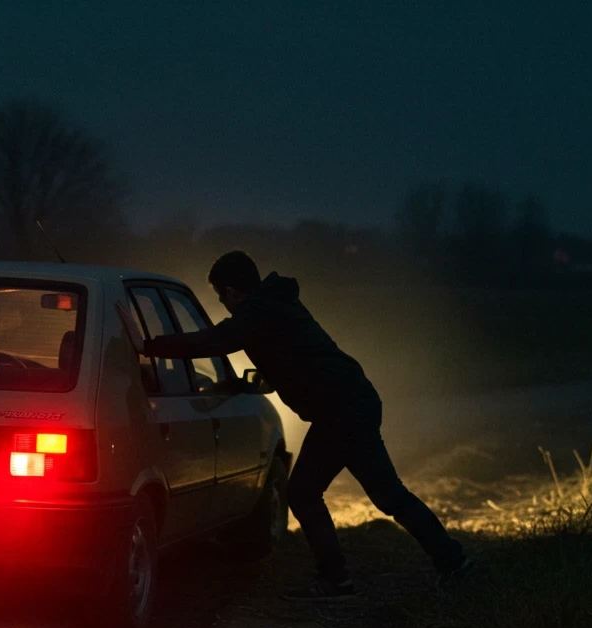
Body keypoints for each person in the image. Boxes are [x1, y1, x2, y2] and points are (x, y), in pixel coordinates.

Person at [124, 250, 473, 599]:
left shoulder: (258, 311)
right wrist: (245, 384)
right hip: (349, 403)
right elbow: (290, 359)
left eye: (221, 297)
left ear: (230, 292)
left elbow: (213, 341)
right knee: (365, 494)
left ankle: (353, 577)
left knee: (330, 493)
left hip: (342, 411)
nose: (225, 305)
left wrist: (147, 346)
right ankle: (438, 564)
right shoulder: (276, 303)